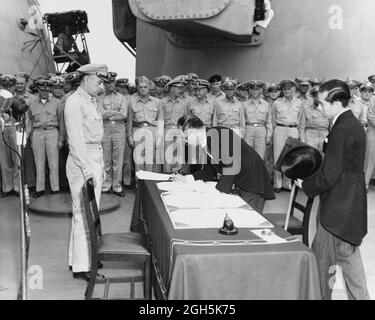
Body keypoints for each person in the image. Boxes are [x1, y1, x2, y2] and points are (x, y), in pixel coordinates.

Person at [299, 79, 370, 300]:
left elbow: (331, 173)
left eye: (323, 103)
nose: (319, 108)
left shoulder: (343, 128)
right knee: (347, 258)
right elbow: (336, 165)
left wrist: (305, 184)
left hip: (338, 210)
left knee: (322, 263)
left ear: (337, 102)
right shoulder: (348, 123)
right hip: (348, 206)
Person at [172, 115, 275, 213]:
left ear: (197, 130)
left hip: (253, 182)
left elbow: (231, 167)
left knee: (249, 219)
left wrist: (217, 193)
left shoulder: (221, 133)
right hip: (238, 182)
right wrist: (186, 179)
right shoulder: (203, 143)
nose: (185, 141)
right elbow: (209, 171)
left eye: (186, 137)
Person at [64, 63, 108, 281]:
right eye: (99, 81)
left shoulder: (90, 101)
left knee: (90, 213)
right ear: (87, 78)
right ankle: (84, 267)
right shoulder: (74, 102)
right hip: (83, 162)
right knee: (84, 214)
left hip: (93, 158)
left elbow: (96, 138)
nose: (101, 87)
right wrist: (88, 170)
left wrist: (101, 167)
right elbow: (76, 141)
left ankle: (79, 259)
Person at [26, 79, 64, 198]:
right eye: (42, 90)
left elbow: (61, 121)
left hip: (52, 132)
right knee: (39, 163)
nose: (45, 92)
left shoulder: (57, 103)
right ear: (38, 89)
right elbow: (31, 120)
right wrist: (32, 137)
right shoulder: (32, 103)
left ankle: (55, 188)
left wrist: (61, 139)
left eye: (47, 90)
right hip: (38, 132)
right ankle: (40, 188)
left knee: (53, 163)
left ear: (50, 90)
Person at [97, 71, 128, 197]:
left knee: (118, 158)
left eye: (112, 82)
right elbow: (100, 113)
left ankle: (117, 186)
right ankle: (106, 185)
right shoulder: (100, 98)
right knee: (105, 158)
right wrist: (114, 112)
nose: (110, 85)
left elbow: (123, 114)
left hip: (119, 128)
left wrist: (108, 113)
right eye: (107, 83)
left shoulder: (122, 98)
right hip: (105, 128)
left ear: (115, 83)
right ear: (104, 84)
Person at [127, 76, 164, 174]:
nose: (143, 89)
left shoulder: (157, 102)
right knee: (138, 161)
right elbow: (129, 121)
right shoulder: (132, 102)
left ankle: (149, 186)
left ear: (149, 88)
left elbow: (160, 120)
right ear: (137, 88)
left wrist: (159, 137)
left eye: (145, 87)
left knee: (150, 161)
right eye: (140, 87)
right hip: (138, 131)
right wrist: (130, 137)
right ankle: (139, 186)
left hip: (152, 132)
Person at [272, 79, 304, 192]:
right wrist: (273, 134)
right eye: (284, 89)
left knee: (290, 157)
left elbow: (301, 120)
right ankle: (277, 184)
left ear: (294, 89)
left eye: (289, 88)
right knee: (277, 156)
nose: (287, 91)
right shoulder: (277, 103)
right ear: (282, 90)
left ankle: (287, 183)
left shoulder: (299, 103)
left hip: (293, 129)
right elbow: (272, 120)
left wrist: (301, 136)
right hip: (280, 129)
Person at [161, 77, 188, 173]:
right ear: (171, 88)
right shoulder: (162, 102)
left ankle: (176, 179)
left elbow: (185, 120)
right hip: (167, 130)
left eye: (182, 88)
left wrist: (185, 134)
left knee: (178, 157)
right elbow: (160, 120)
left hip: (178, 130)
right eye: (178, 87)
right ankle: (166, 178)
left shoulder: (184, 103)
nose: (180, 90)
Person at [0, 75, 20, 197]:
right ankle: (7, 187)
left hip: (15, 129)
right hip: (2, 130)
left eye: (10, 85)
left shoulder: (17, 100)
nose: (7, 87)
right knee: (4, 159)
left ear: (14, 86)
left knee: (16, 158)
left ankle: (17, 187)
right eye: (5, 85)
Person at [243, 80, 272, 159]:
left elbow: (269, 121)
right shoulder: (244, 104)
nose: (255, 91)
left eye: (257, 89)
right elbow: (241, 120)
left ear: (261, 90)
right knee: (247, 155)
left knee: (260, 156)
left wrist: (269, 135)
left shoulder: (266, 104)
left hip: (261, 130)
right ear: (249, 90)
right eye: (253, 89)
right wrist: (242, 134)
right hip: (248, 129)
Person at [299, 86, 329, 152]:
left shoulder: (328, 109)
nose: (318, 97)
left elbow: (332, 125)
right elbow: (302, 126)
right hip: (310, 134)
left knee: (323, 157)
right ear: (312, 97)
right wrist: (302, 140)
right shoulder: (306, 108)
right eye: (315, 95)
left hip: (324, 134)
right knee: (310, 156)